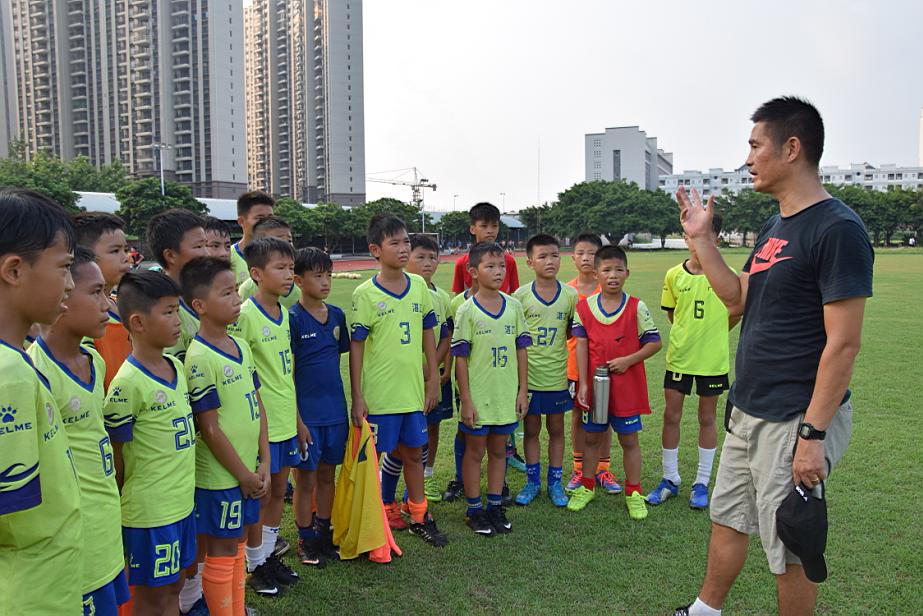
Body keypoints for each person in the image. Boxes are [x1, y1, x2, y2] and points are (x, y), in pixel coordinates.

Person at [673, 97, 873, 616]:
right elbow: (738, 299)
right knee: (729, 517)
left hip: (794, 417)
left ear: (792, 148)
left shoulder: (837, 229)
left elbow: (844, 343)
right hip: (749, 409)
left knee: (790, 542)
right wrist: (702, 240)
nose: (748, 159)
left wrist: (813, 435)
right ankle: (704, 611)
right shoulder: (774, 226)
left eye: (755, 145)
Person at [29, 247, 130, 616]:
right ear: (63, 295)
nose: (107, 304)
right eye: (96, 293)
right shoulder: (36, 372)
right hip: (72, 536)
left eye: (108, 293)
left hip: (104, 524)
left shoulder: (95, 359)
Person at [0, 189, 83, 614]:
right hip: (33, 594)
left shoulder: (17, 361)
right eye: (65, 268)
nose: (71, 284)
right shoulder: (8, 373)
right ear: (14, 270)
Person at [349, 213, 447, 547]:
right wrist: (358, 396)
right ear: (375, 250)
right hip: (381, 395)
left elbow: (428, 334)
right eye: (395, 243)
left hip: (413, 392)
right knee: (378, 457)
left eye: (406, 241)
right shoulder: (365, 294)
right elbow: (357, 348)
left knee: (414, 452)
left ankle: (419, 514)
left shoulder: (418, 286)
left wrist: (433, 378)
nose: (404, 248)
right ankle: (381, 514)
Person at [103, 271, 198, 616]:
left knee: (174, 586)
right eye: (169, 312)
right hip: (150, 514)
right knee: (151, 597)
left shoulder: (176, 365)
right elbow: (117, 459)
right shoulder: (126, 384)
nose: (178, 320)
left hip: (182, 503)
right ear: (139, 322)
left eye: (178, 310)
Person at [181, 257, 270, 615]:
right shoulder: (199, 357)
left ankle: (235, 608)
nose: (236, 299)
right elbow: (211, 429)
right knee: (220, 550)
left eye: (236, 290)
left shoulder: (241, 346)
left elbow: (257, 403)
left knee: (234, 546)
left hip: (249, 469)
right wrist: (244, 475)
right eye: (227, 293)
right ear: (199, 305)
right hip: (221, 478)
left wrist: (264, 459)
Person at [229, 238, 304, 592]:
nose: (289, 275)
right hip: (263, 423)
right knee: (261, 492)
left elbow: (285, 373)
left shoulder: (285, 314)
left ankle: (267, 555)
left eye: (291, 268)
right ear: (256, 274)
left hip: (287, 418)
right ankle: (254, 562)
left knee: (277, 492)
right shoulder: (244, 316)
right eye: (281, 268)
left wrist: (299, 421)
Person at [648, 214, 738, 510]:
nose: (696, 243)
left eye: (705, 237)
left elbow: (736, 311)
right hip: (680, 359)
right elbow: (674, 315)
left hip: (712, 361)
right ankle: (670, 478)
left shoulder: (727, 274)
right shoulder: (674, 274)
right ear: (686, 238)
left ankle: (701, 482)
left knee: (707, 419)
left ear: (717, 239)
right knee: (671, 416)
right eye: (691, 237)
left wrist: (711, 334)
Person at [570, 246, 662, 521]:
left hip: (627, 386)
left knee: (629, 440)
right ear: (596, 273)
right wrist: (584, 384)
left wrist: (628, 360)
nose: (613, 275)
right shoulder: (584, 308)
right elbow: (581, 348)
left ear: (627, 273)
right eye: (607, 270)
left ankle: (634, 492)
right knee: (591, 437)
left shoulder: (637, 306)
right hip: (595, 387)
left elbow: (654, 342)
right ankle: (586, 486)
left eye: (618, 270)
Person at [452, 242, 531, 535]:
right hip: (479, 397)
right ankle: (474, 509)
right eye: (490, 266)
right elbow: (460, 359)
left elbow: (521, 351)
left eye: (502, 267)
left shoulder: (514, 307)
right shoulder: (466, 311)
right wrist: (467, 400)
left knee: (500, 451)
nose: (498, 272)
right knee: (475, 452)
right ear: (473, 272)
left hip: (506, 394)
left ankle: (495, 505)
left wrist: (522, 390)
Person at [451, 202, 525, 477]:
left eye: (494, 225)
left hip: (502, 335)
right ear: (473, 229)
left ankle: (509, 456)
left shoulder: (510, 261)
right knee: (467, 420)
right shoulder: (462, 263)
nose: (490, 231)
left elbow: (513, 295)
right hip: (475, 345)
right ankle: (461, 475)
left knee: (504, 417)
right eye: (484, 226)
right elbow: (460, 297)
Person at [379, 234, 454, 505]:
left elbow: (446, 335)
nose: (427, 262)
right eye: (420, 256)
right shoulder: (393, 292)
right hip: (402, 382)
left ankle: (422, 483)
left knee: (427, 430)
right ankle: (385, 494)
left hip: (429, 376)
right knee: (400, 443)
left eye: (432, 257)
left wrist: (434, 368)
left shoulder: (441, 297)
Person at [289, 247, 349, 567]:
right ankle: (305, 537)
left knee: (328, 475)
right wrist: (297, 420)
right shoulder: (293, 320)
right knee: (306, 479)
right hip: (307, 416)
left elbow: (334, 363)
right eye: (317, 275)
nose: (325, 281)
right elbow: (290, 375)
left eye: (328, 274)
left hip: (336, 413)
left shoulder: (338, 315)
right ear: (298, 280)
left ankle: (324, 531)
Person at [512, 234, 577, 507]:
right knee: (531, 430)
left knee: (557, 430)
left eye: (554, 255)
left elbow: (575, 337)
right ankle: (532, 481)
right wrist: (520, 384)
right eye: (542, 256)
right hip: (529, 379)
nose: (549, 261)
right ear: (529, 262)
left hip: (557, 377)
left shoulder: (571, 295)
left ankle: (555, 482)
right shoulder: (520, 297)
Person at [564, 233, 618, 494]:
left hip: (604, 368)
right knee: (577, 417)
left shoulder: (607, 287)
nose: (586, 258)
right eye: (580, 252)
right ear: (573, 257)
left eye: (591, 253)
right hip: (575, 367)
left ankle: (602, 469)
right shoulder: (566, 291)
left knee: (603, 418)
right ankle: (578, 468)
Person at [73, 211, 134, 388]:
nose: (126, 257)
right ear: (85, 257)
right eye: (115, 251)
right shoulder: (83, 317)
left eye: (126, 249)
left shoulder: (124, 304)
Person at [146, 209, 208, 361]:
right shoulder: (162, 309)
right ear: (171, 255)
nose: (207, 253)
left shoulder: (207, 295)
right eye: (198, 247)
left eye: (206, 245)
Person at [440, 280, 477, 503]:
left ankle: (500, 484)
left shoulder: (508, 304)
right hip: (465, 382)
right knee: (464, 429)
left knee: (497, 435)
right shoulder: (456, 304)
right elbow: (452, 343)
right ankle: (460, 479)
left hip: (498, 383)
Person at [237, 217, 302, 309]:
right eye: (278, 240)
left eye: (289, 241)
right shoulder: (247, 290)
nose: (286, 245)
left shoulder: (299, 288)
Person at [230, 191, 275, 288]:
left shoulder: (284, 257)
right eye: (260, 218)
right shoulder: (227, 257)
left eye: (270, 218)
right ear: (241, 221)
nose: (266, 223)